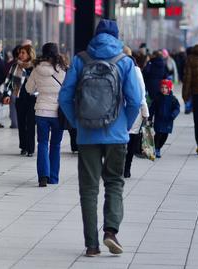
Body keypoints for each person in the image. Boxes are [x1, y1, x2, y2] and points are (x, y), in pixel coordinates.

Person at [59, 19, 141, 257]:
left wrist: (77, 123)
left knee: (88, 189)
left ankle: (91, 245)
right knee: (114, 182)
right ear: (117, 37)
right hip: (116, 136)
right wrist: (124, 123)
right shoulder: (124, 61)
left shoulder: (80, 59)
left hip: (87, 135)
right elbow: (135, 100)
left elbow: (64, 97)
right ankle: (111, 232)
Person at [26, 42, 67, 187]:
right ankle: (53, 178)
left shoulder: (36, 69)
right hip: (58, 113)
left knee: (42, 143)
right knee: (55, 145)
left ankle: (43, 176)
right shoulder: (63, 69)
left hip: (42, 111)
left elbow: (29, 89)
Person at [123, 46, 149, 178]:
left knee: (125, 140)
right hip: (133, 110)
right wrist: (145, 111)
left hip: (127, 110)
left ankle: (124, 167)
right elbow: (141, 92)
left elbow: (141, 93)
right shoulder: (135, 70)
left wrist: (145, 110)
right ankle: (126, 168)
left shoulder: (122, 68)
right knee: (131, 139)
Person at [13, 44, 36, 156]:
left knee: (30, 123)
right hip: (20, 97)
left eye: (23, 53)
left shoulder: (35, 67)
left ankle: (31, 148)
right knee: (21, 123)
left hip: (32, 98)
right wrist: (6, 94)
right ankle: (24, 146)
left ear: (29, 54)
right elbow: (10, 80)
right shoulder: (16, 66)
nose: (20, 55)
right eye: (20, 53)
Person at [149, 79, 180, 158]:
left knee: (164, 136)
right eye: (162, 87)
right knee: (158, 134)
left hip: (168, 121)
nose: (164, 89)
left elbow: (177, 108)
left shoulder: (172, 99)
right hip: (159, 120)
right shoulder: (157, 98)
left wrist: (173, 115)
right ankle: (156, 149)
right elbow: (152, 108)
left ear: (169, 89)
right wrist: (150, 117)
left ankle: (159, 147)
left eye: (166, 88)